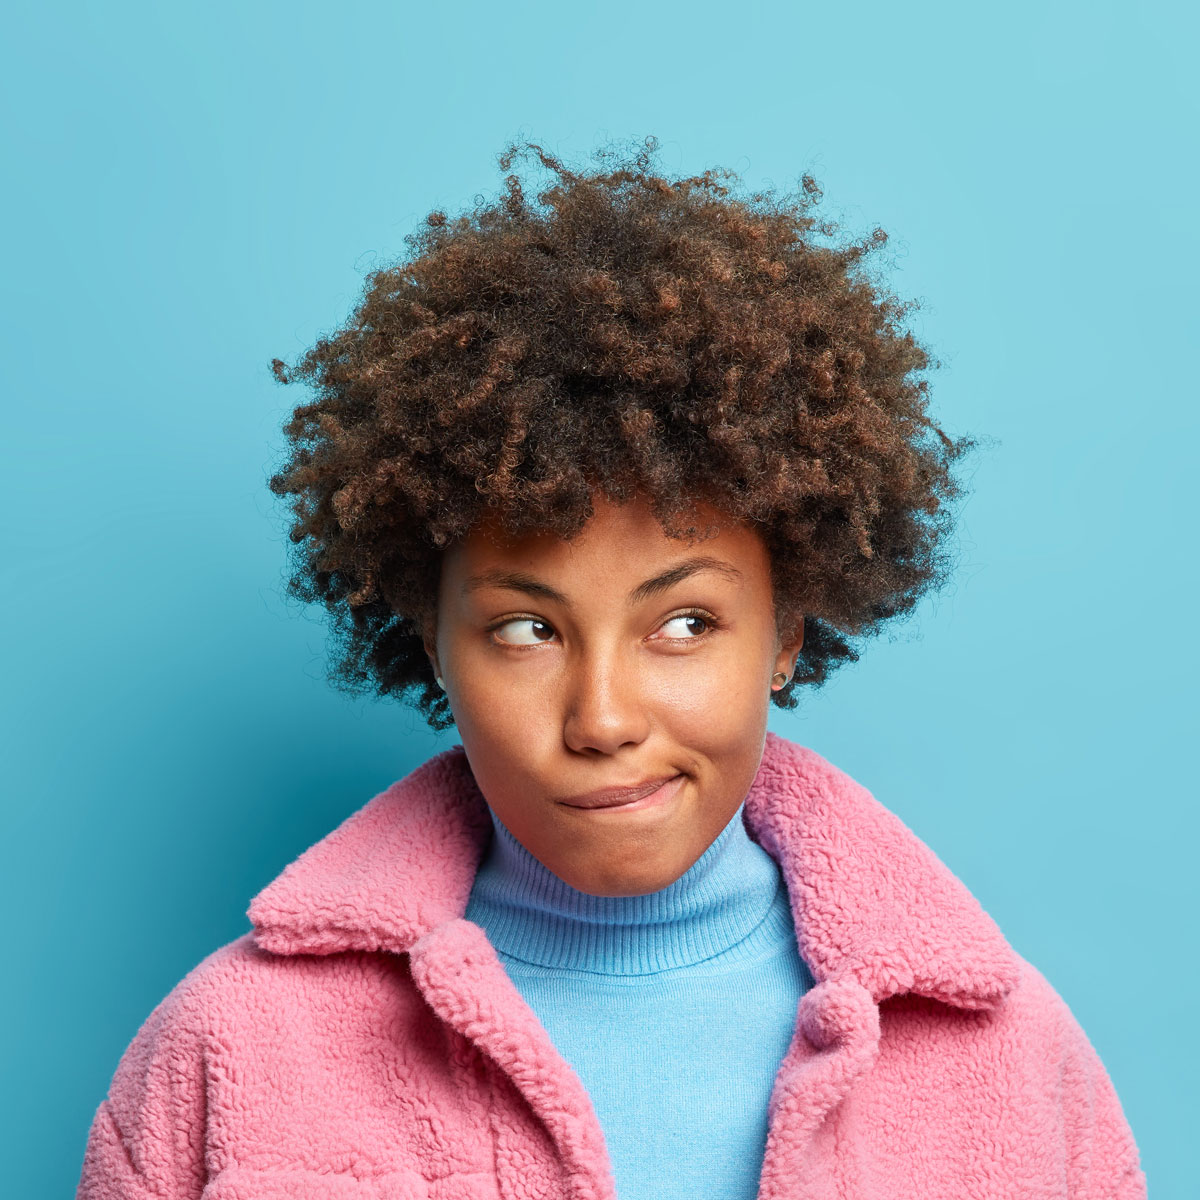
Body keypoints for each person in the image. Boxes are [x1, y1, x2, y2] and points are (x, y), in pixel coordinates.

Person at [76, 136, 1147, 1199]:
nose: (602, 716)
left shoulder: (1013, 1064)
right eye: (527, 631)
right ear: (430, 638)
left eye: (683, 623)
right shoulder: (227, 1051)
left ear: (786, 634)